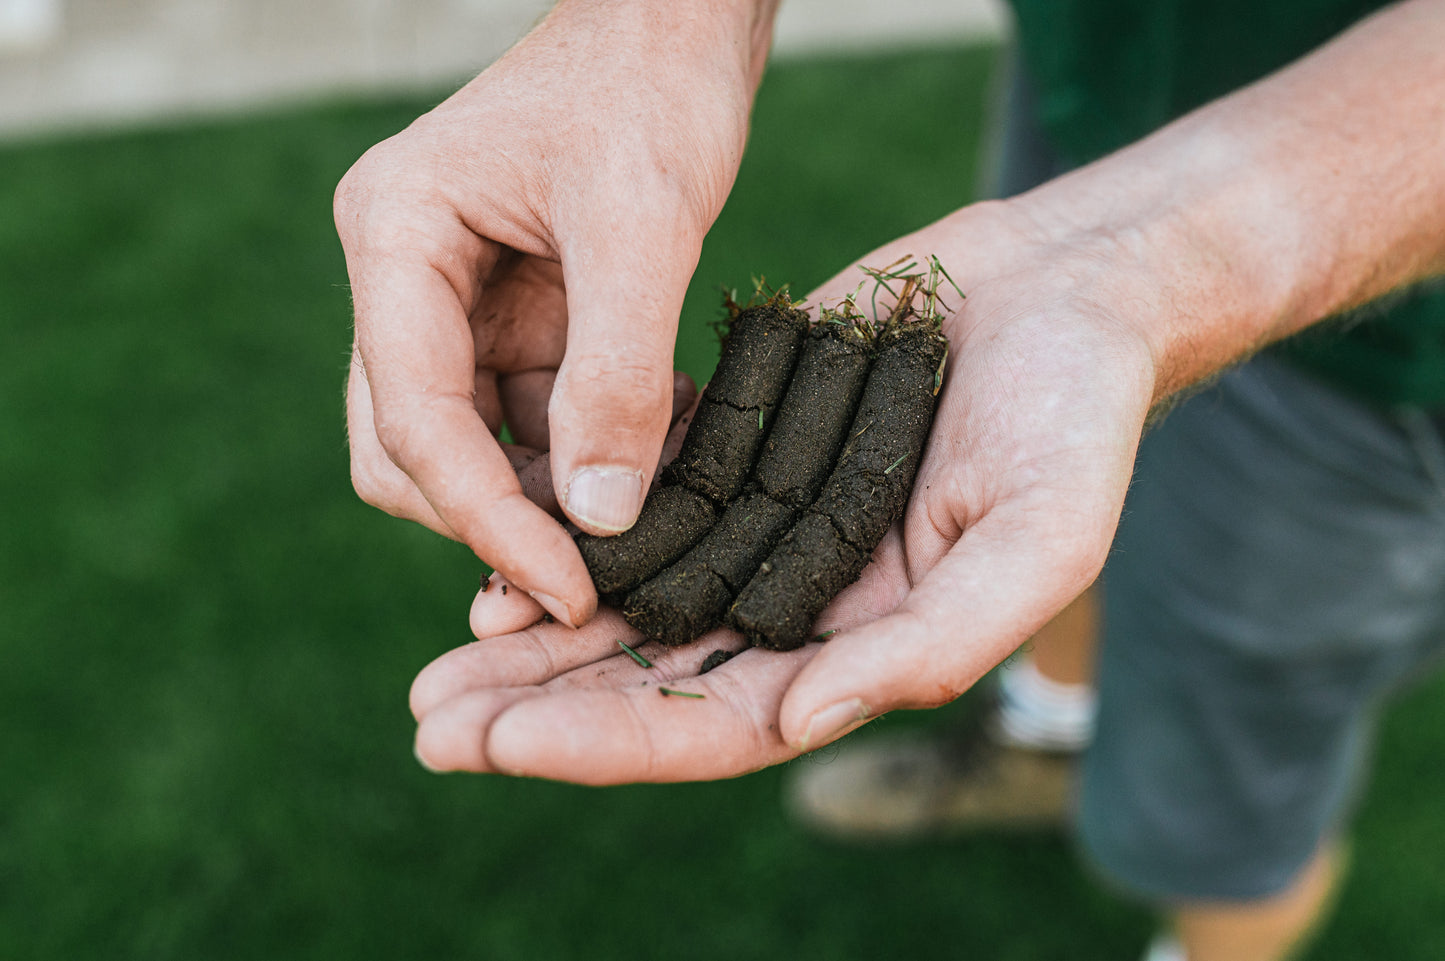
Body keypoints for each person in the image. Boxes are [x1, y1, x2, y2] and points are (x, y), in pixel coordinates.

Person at [333, 2, 1445, 958]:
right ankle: (1046, 734)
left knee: (1228, 748)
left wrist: (1137, 260)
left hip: (1380, 336)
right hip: (1109, 69)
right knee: (1020, 516)